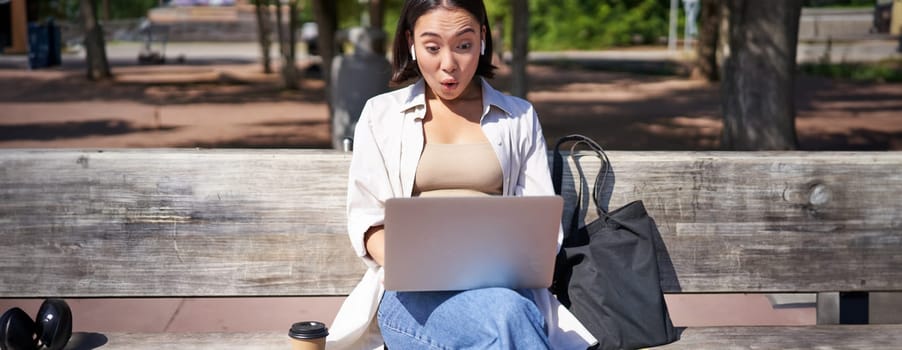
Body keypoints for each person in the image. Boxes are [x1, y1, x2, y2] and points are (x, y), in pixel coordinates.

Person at [326, 1, 597, 349]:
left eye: (464, 46)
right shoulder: (382, 115)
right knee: (510, 319)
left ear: (482, 39)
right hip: (412, 300)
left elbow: (541, 229)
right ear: (411, 41)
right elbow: (367, 222)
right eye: (432, 47)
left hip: (502, 292)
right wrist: (417, 266)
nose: (448, 65)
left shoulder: (518, 117)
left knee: (505, 319)